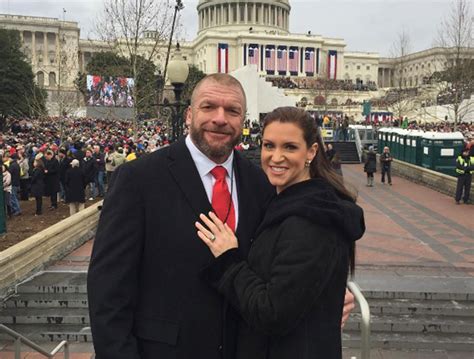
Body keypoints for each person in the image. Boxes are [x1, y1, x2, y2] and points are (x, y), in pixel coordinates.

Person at [88, 74, 355, 359]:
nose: (220, 118)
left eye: (232, 111)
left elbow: (287, 257)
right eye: (208, 107)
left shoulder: (261, 182)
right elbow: (108, 288)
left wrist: (325, 292)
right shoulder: (139, 179)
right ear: (189, 114)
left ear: (243, 119)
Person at [195, 107, 365, 359]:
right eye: (269, 145)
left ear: (311, 152)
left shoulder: (310, 221)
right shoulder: (287, 202)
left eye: (289, 147)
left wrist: (229, 260)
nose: (276, 157)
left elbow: (272, 313)